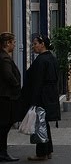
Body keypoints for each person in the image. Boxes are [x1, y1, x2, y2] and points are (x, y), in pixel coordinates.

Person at [20, 35, 61, 161]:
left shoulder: (41, 61)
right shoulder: (52, 58)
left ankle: (42, 153)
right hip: (50, 96)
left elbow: (37, 81)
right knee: (44, 124)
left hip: (41, 97)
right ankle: (48, 150)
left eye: (35, 43)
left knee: (40, 124)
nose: (33, 46)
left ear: (42, 44)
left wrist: (33, 100)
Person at [0, 32, 21, 162]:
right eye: (13, 42)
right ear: (7, 43)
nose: (14, 45)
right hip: (5, 96)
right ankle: (3, 152)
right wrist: (16, 84)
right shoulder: (4, 58)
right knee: (4, 125)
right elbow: (8, 75)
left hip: (4, 96)